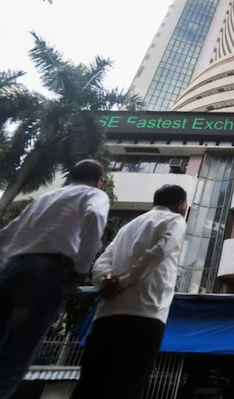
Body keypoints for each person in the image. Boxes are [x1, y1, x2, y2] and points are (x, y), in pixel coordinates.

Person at [0, 160, 109, 399]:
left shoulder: (47, 198)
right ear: (99, 180)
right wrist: (81, 269)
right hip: (49, 271)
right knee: (16, 350)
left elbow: (7, 234)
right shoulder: (95, 195)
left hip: (13, 267)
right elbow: (95, 216)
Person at [71, 185, 188, 399]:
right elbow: (160, 251)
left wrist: (105, 282)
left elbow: (101, 262)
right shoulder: (176, 220)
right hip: (145, 314)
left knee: (89, 386)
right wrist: (123, 282)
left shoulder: (129, 226)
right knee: (126, 386)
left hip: (106, 315)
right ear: (180, 203)